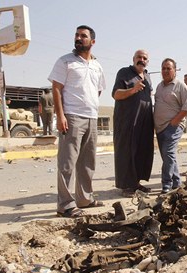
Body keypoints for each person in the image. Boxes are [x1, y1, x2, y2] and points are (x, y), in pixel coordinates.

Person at [48, 25, 106, 218]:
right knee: (67, 163)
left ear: (93, 42)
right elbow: (56, 88)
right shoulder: (65, 62)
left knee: (87, 162)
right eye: (77, 35)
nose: (79, 38)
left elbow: (98, 90)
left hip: (91, 117)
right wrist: (61, 115)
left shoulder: (97, 65)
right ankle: (65, 205)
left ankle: (84, 199)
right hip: (72, 117)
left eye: (83, 36)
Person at [112, 49, 154, 197]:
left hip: (145, 121)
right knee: (126, 152)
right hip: (127, 120)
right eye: (139, 57)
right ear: (133, 59)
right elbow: (116, 94)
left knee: (142, 151)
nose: (141, 60)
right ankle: (126, 186)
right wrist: (133, 89)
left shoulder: (147, 77)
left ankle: (136, 183)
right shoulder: (124, 72)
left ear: (147, 61)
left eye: (144, 58)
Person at [154, 58, 187, 193]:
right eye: (163, 68)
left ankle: (166, 184)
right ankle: (177, 182)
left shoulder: (180, 86)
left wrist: (175, 122)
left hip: (174, 126)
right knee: (167, 155)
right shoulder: (159, 86)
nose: (165, 71)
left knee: (169, 153)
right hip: (160, 128)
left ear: (175, 71)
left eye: (168, 68)